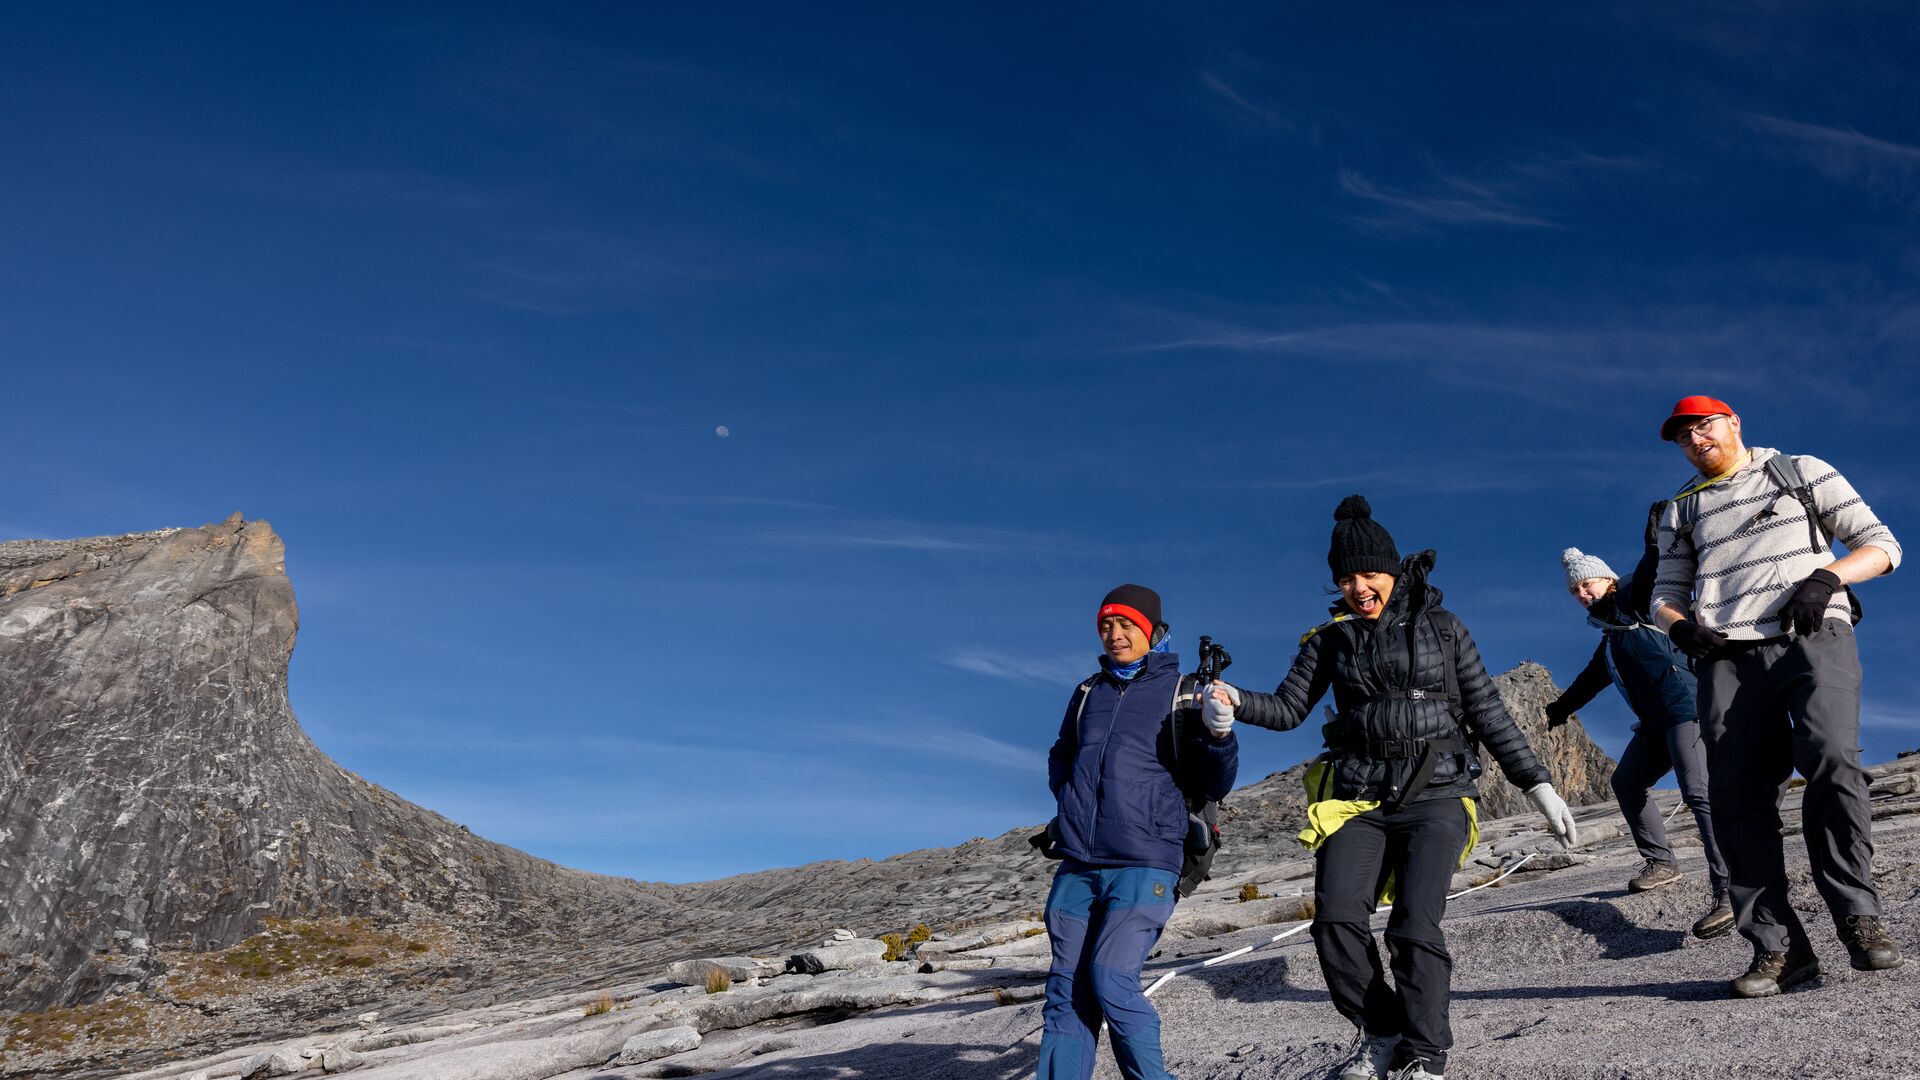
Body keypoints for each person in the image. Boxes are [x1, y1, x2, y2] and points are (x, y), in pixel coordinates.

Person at [1207, 496, 1577, 1080]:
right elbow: (1285, 709)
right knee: (1334, 920)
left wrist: (1538, 785)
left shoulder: (1445, 629)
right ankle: (1381, 1032)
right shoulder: (1329, 640)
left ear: (1394, 571)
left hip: (1437, 793)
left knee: (1413, 927)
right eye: (1346, 578)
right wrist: (1233, 702)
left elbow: (1487, 710)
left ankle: (1426, 1055)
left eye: (1369, 574)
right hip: (1358, 798)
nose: (1359, 588)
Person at [1648, 395, 1904, 998]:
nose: (1695, 439)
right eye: (1683, 436)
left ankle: (1857, 916)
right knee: (1737, 796)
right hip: (1727, 657)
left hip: (1813, 635)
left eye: (1704, 426)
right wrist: (1678, 625)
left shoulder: (1798, 471)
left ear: (1732, 422)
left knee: (1832, 757)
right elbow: (1664, 591)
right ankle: (1779, 948)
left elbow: (1883, 545)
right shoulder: (1680, 509)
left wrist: (1827, 576)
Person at [1038, 584, 1239, 1080]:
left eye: (1127, 624)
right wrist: (1070, 799)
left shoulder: (1183, 691)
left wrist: (1219, 734)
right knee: (1066, 988)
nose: (1115, 634)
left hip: (1145, 857)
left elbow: (1216, 780)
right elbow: (1062, 755)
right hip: (1079, 861)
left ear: (1152, 630)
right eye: (1107, 624)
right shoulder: (1088, 692)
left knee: (1111, 977)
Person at [1544, 531, 1734, 940]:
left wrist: (1653, 548)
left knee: (1698, 792)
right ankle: (1662, 862)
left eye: (1587, 584)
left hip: (1686, 710)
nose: (1581, 593)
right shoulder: (1612, 638)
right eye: (1575, 589)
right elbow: (1590, 680)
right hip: (1654, 724)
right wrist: (1561, 708)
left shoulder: (1635, 602)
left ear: (1608, 581)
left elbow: (1649, 576)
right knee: (1626, 782)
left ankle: (1729, 888)